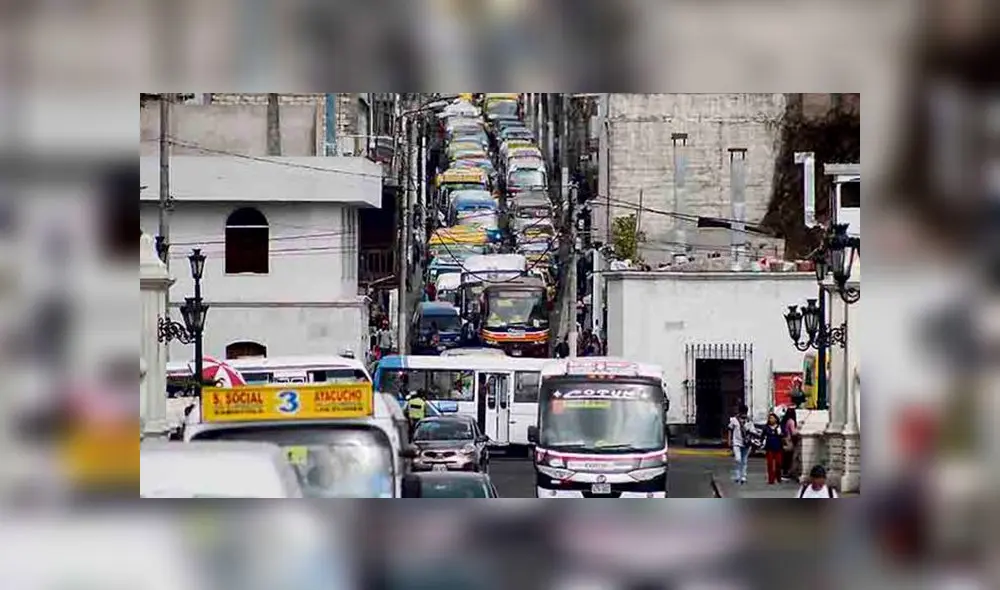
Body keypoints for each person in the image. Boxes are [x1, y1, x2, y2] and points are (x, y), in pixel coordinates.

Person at [726, 404, 757, 485]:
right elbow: (730, 430)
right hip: (736, 442)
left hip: (746, 443)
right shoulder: (734, 420)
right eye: (743, 412)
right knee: (738, 459)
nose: (744, 414)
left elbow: (753, 431)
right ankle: (737, 475)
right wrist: (729, 441)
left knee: (744, 460)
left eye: (745, 412)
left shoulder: (749, 420)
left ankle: (743, 476)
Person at [762, 413, 784, 484]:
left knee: (778, 463)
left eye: (772, 418)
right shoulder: (766, 427)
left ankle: (778, 477)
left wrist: (780, 433)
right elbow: (762, 436)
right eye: (770, 418)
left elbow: (783, 435)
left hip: (778, 447)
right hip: (769, 448)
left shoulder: (779, 427)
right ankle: (771, 480)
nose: (771, 419)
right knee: (770, 464)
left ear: (776, 419)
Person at [781, 407, 800, 481]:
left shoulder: (786, 421)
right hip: (790, 441)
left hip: (786, 440)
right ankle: (788, 473)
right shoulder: (791, 421)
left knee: (786, 457)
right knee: (791, 457)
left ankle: (785, 471)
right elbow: (793, 432)